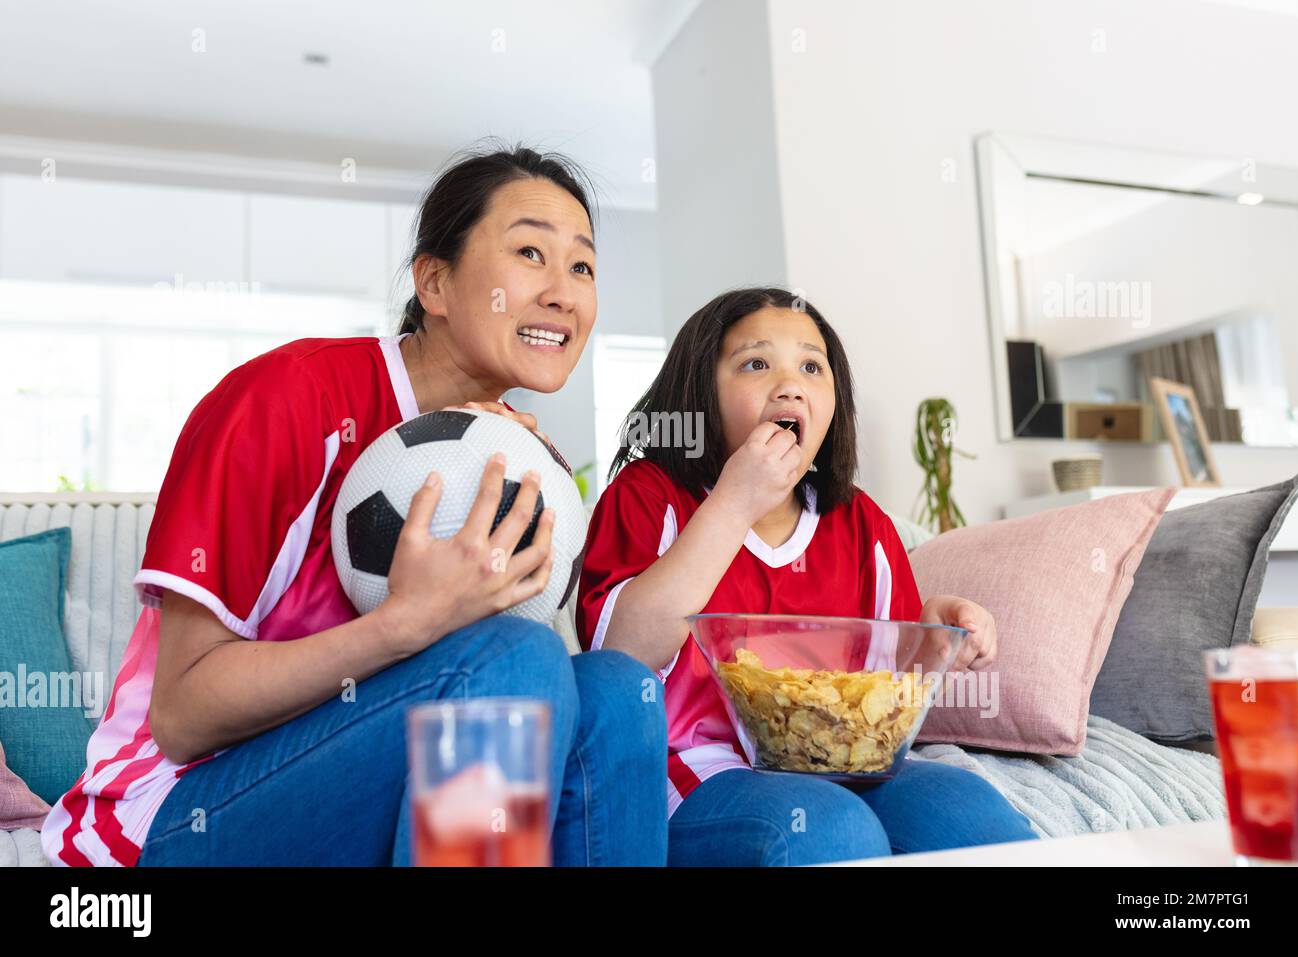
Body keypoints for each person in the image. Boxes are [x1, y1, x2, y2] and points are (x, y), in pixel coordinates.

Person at [41, 143, 668, 867]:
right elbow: (182, 715)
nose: (564, 291)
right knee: (515, 656)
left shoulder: (518, 466)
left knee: (619, 691)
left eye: (583, 266)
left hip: (355, 789)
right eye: (531, 252)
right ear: (433, 281)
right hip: (171, 818)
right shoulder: (284, 400)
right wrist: (405, 624)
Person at [577, 287, 1039, 865]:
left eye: (812, 366)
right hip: (694, 767)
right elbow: (616, 654)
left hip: (849, 761)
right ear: (698, 396)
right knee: (832, 831)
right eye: (755, 363)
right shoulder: (649, 498)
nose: (790, 383)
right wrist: (733, 503)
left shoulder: (861, 523)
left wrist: (932, 636)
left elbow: (885, 696)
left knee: (969, 813)